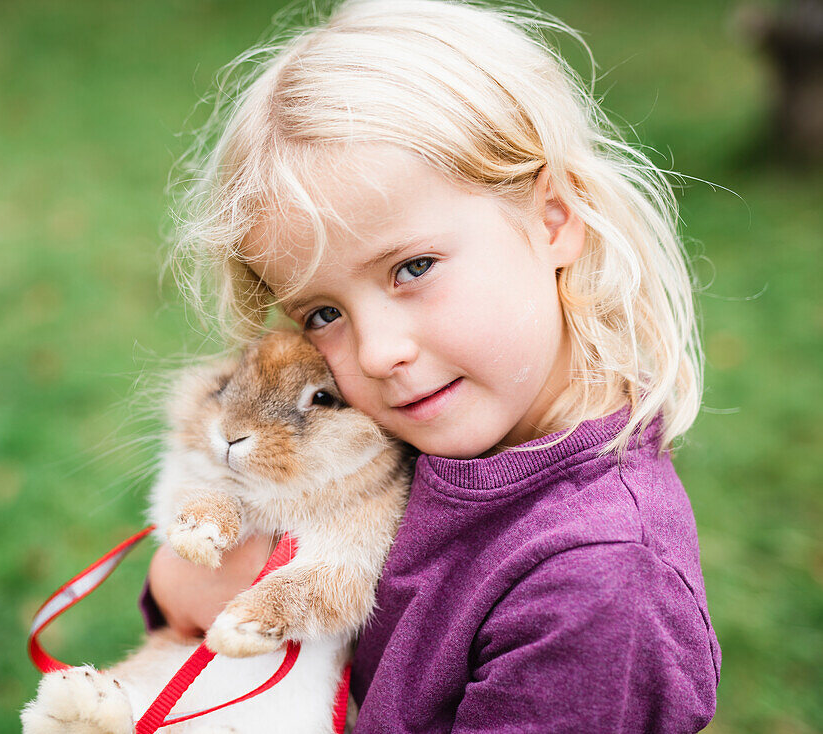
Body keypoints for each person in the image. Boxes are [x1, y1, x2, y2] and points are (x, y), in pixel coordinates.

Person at [145, 0, 721, 730]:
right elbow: (216, 593)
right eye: (323, 314)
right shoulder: (416, 434)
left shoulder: (601, 589)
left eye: (413, 267)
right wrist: (181, 580)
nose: (380, 353)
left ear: (554, 218)